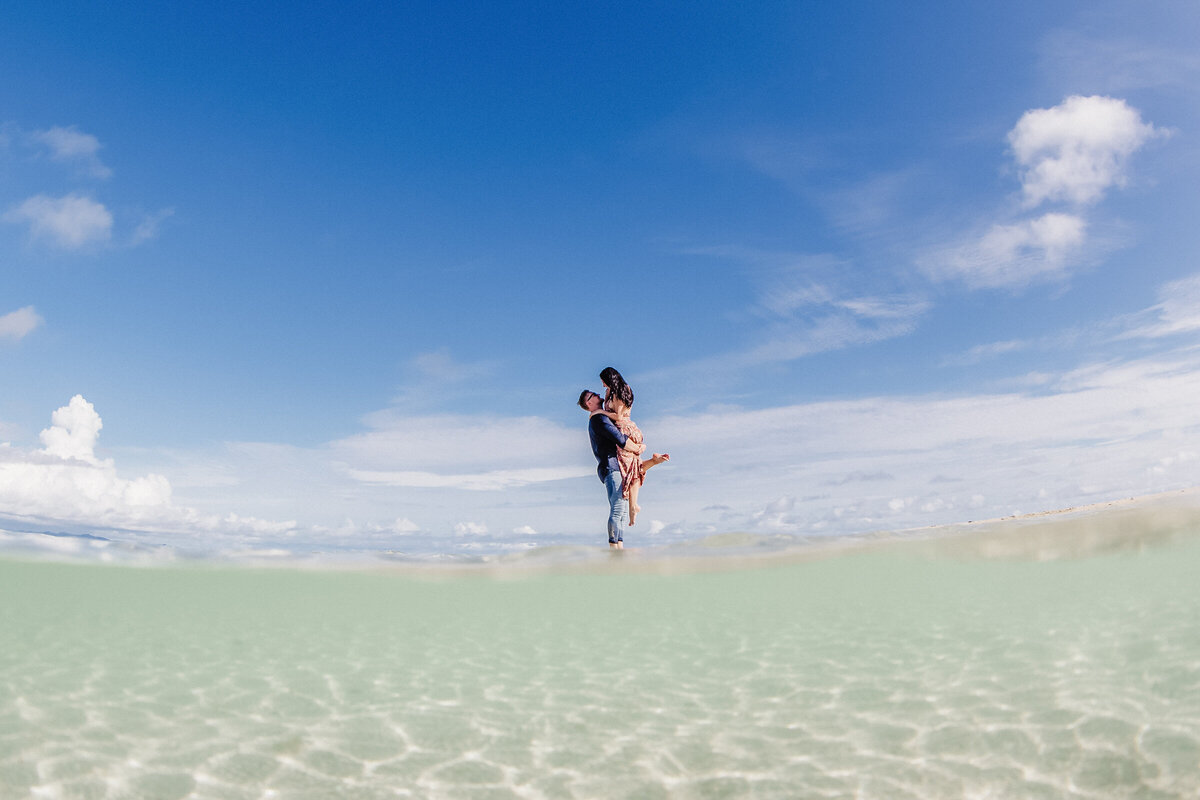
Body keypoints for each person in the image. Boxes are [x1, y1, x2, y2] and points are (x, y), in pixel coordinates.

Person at [597, 367, 669, 525]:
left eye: (603, 381)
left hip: (625, 431)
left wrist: (600, 413)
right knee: (632, 468)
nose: (602, 385)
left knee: (627, 470)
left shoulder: (619, 392)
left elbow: (619, 416)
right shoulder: (616, 390)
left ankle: (633, 506)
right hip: (631, 430)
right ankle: (634, 506)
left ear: (609, 379)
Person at [578, 388, 643, 549]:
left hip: (615, 466)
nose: (598, 395)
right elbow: (618, 437)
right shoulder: (598, 419)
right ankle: (613, 548)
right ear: (589, 402)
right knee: (618, 508)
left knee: (621, 511)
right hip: (611, 466)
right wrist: (637, 448)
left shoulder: (599, 416)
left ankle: (619, 546)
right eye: (594, 395)